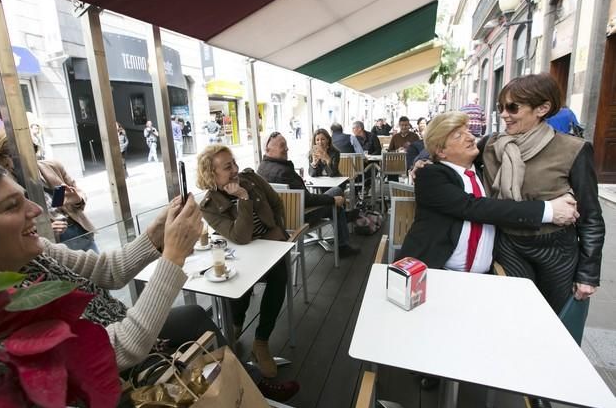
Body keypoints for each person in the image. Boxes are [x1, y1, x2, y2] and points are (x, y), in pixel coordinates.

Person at [0, 164, 299, 402]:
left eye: (25, 197)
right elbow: (122, 348)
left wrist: (155, 235)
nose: (36, 209)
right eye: (12, 206)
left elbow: (108, 271)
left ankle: (249, 387)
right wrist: (173, 255)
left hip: (124, 333)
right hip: (117, 383)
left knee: (194, 317)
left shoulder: (37, 251)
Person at [399, 111, 579, 272]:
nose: (470, 137)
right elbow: (476, 207)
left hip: (486, 275)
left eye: (468, 131)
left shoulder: (483, 170)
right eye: (458, 135)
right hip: (434, 272)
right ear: (441, 151)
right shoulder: (431, 175)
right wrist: (549, 211)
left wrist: (568, 192)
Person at [485, 73, 604, 314]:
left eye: (512, 107)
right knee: (514, 319)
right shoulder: (491, 145)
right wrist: (424, 161)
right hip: (509, 244)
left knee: (555, 323)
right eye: (501, 107)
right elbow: (450, 147)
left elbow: (591, 215)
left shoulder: (573, 149)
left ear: (542, 108)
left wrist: (588, 273)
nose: (504, 114)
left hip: (556, 250)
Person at [196, 145, 288, 378]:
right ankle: (235, 327)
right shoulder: (209, 206)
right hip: (244, 254)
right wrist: (243, 199)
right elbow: (241, 236)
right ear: (211, 174)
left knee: (279, 274)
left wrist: (278, 230)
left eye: (234, 163)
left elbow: (276, 202)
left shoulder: (251, 178)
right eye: (228, 167)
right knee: (237, 279)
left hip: (272, 246)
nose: (235, 170)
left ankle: (261, 342)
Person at [0, 127, 98, 252]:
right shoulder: (2, 186)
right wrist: (44, 229)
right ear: (0, 159)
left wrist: (77, 199)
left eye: (31, 148)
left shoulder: (52, 167)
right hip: (52, 244)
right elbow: (8, 227)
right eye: (16, 154)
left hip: (81, 231)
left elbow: (75, 194)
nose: (27, 155)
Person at [258, 133, 359, 256]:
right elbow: (307, 198)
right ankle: (343, 245)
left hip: (281, 219)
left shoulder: (261, 168)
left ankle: (344, 225)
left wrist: (325, 159)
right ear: (268, 149)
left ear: (328, 140)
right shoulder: (283, 171)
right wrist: (332, 200)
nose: (287, 149)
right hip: (301, 216)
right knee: (337, 193)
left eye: (323, 139)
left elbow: (330, 174)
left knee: (336, 198)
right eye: (282, 146)